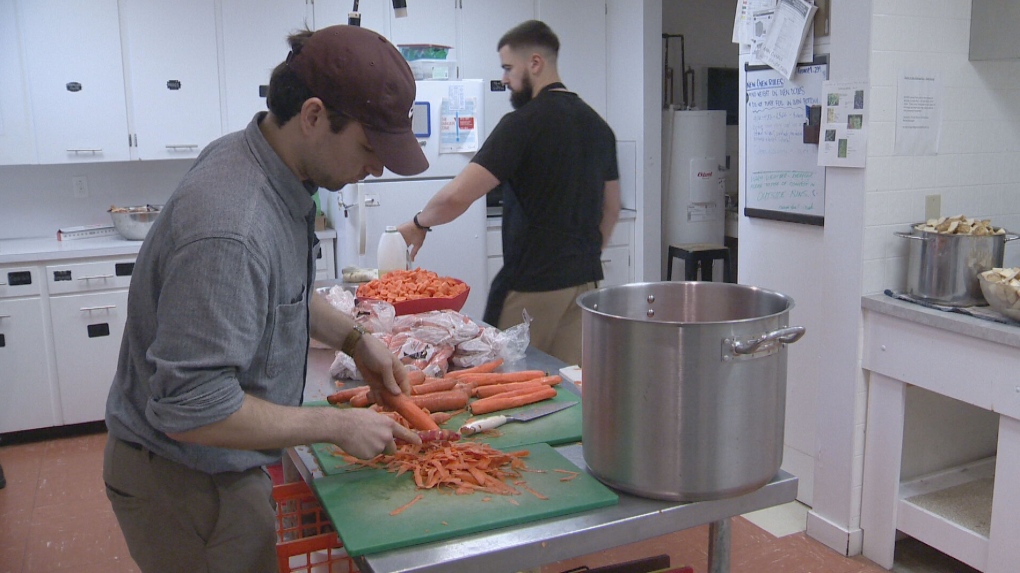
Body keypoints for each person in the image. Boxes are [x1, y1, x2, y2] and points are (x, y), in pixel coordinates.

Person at [103, 25, 426, 573]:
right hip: (183, 480)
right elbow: (192, 407)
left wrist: (356, 338)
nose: (375, 168)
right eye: (369, 148)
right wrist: (337, 425)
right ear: (314, 116)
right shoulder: (233, 225)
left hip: (217, 464)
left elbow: (278, 296)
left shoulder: (263, 161)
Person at [397, 20, 620, 366]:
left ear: (535, 63)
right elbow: (612, 209)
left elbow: (458, 195)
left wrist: (419, 223)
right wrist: (583, 255)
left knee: (505, 384)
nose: (503, 78)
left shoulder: (523, 125)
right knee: (570, 388)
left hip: (531, 289)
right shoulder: (599, 127)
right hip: (585, 287)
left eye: (507, 68)